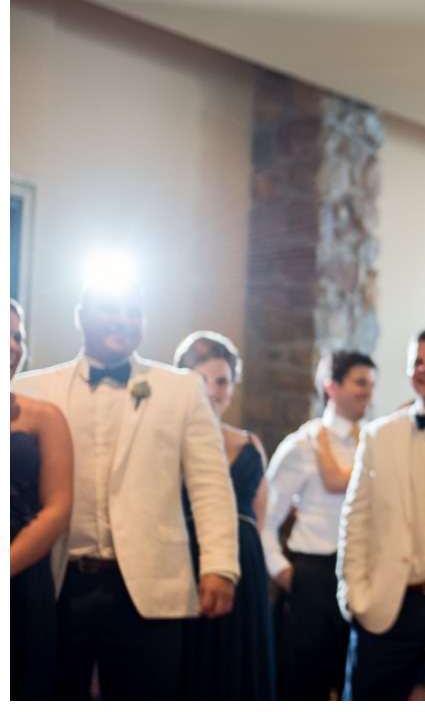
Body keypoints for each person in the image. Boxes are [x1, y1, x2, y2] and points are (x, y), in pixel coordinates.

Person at [12, 278, 239, 699]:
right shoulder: (31, 389)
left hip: (150, 583)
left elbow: (210, 484)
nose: (123, 321)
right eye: (109, 310)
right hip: (58, 582)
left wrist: (219, 565)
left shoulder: (181, 389)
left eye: (133, 312)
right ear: (80, 317)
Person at [338, 328, 425, 701]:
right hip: (388, 606)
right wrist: (354, 594)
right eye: (417, 362)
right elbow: (355, 520)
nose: (424, 369)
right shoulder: (378, 435)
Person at [261, 350, 375, 700]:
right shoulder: (302, 445)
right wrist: (286, 574)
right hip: (312, 574)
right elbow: (265, 519)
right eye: (359, 382)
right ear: (332, 387)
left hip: (361, 575)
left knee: (356, 684)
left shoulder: (374, 442)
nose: (367, 391)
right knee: (303, 687)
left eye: (371, 384)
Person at [174, 331, 275, 699]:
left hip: (243, 563)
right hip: (186, 558)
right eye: (202, 379)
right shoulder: (170, 441)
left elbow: (259, 516)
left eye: (222, 380)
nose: (213, 390)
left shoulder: (250, 444)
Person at [9, 300, 74, 700]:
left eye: (19, 336)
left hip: (21, 570)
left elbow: (57, 509)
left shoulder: (44, 417)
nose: (14, 346)